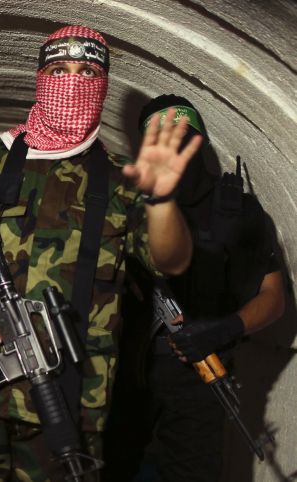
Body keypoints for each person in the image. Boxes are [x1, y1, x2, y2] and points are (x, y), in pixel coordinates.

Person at [0, 25, 200, 481]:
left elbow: (172, 261)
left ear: (103, 86)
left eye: (88, 71)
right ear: (40, 77)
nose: (73, 81)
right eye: (59, 69)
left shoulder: (119, 184)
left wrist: (162, 200)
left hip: (71, 398)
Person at [103, 95, 286, 481]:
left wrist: (226, 328)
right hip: (121, 376)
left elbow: (274, 298)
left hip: (200, 379)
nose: (174, 150)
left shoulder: (235, 210)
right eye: (162, 139)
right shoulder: (122, 199)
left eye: (184, 138)